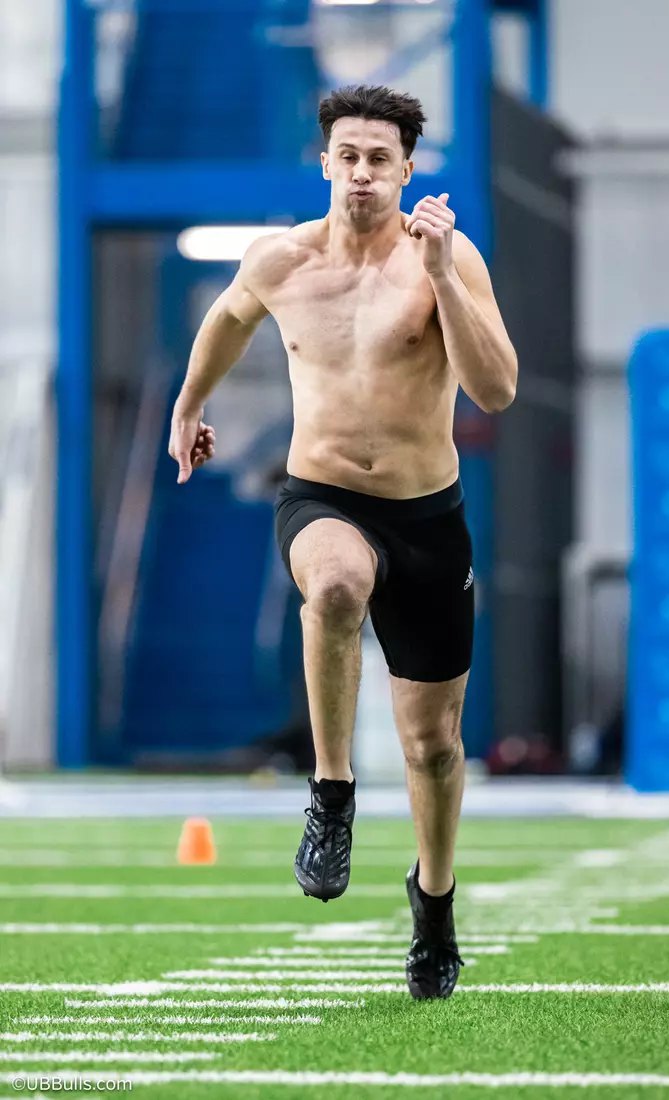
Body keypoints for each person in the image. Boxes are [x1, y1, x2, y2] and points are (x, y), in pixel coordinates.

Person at [168, 84, 517, 999]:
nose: (362, 173)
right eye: (348, 157)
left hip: (428, 518)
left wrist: (444, 275)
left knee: (434, 746)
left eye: (380, 159)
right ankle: (331, 796)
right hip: (322, 495)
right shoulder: (282, 261)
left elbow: (498, 390)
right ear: (324, 163)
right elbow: (229, 319)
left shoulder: (444, 258)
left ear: (406, 170)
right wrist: (188, 403)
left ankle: (433, 908)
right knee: (331, 588)